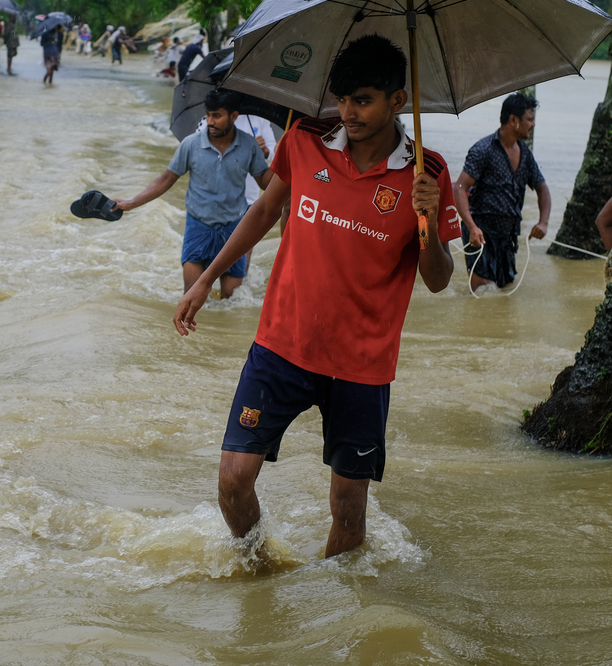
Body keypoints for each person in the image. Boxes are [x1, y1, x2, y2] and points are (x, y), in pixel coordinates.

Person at [172, 34, 460, 559]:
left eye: (364, 100)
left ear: (399, 101)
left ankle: (328, 617)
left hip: (362, 366)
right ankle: (262, 575)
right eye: (342, 98)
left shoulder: (428, 173)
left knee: (349, 509)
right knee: (233, 482)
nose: (348, 112)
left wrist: (428, 220)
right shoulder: (304, 136)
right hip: (282, 344)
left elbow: (438, 279)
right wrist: (205, 278)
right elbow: (262, 213)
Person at [112, 88, 271, 299]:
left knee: (231, 301)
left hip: (234, 228)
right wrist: (131, 203)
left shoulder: (249, 145)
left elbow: (265, 182)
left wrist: (286, 160)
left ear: (233, 116)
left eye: (216, 115)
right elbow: (166, 179)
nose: (210, 121)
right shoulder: (191, 144)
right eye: (208, 115)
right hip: (199, 227)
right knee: (192, 296)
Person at [451, 93, 551, 291]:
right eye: (530, 120)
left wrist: (544, 222)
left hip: (508, 236)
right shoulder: (483, 150)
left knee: (504, 290)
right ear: (513, 120)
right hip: (480, 233)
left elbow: (542, 188)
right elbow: (460, 188)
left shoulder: (525, 154)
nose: (533, 125)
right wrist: (471, 227)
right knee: (484, 292)